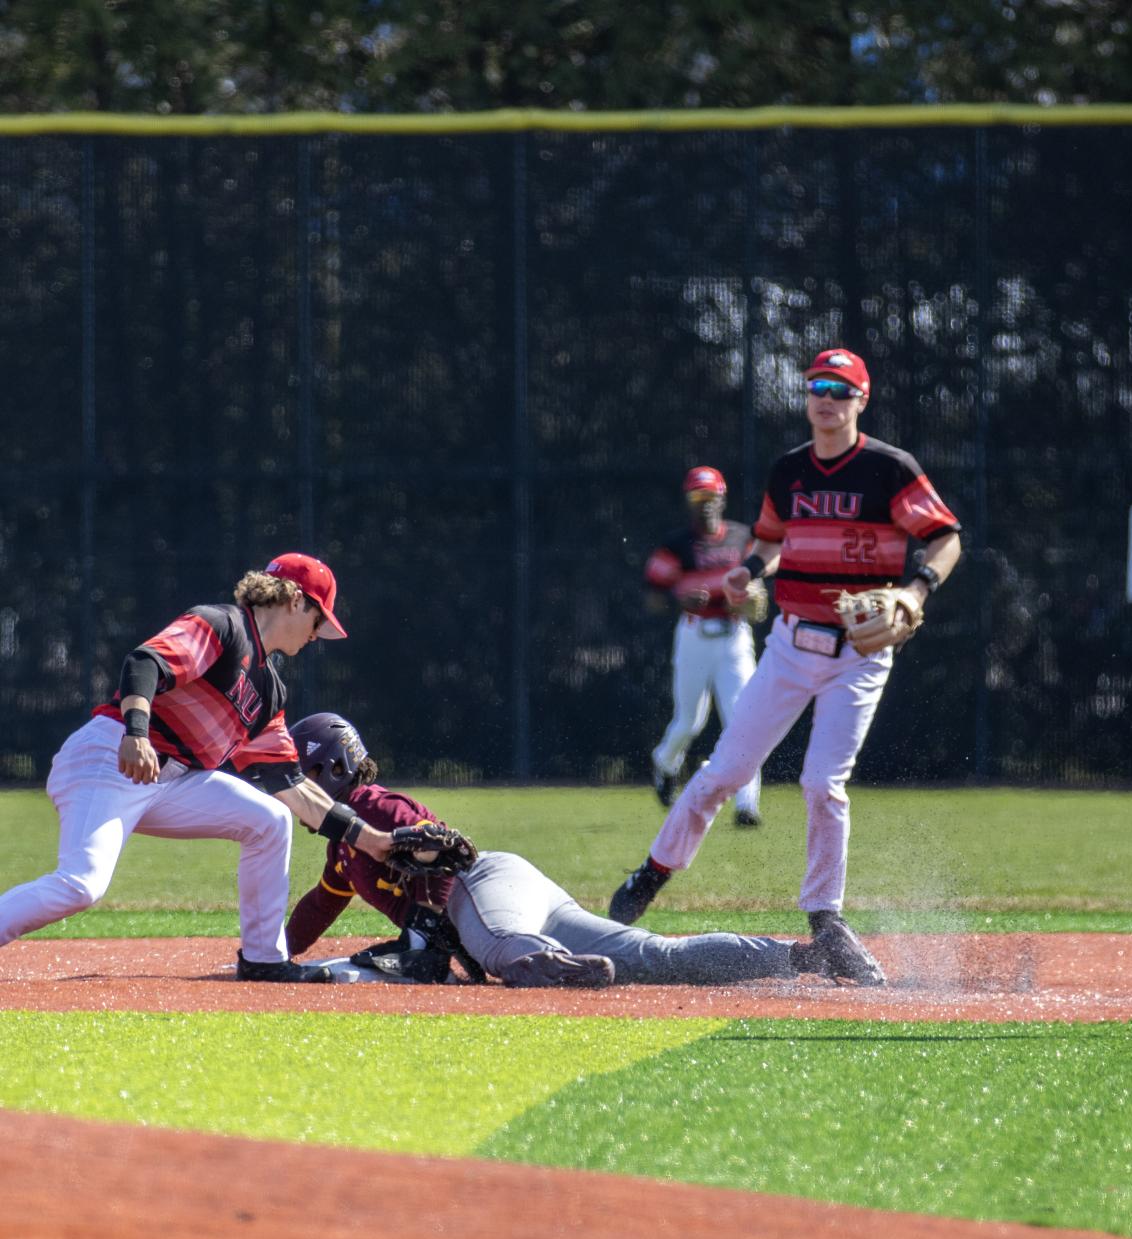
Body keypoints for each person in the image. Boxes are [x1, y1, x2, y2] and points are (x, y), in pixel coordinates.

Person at [609, 349, 962, 985]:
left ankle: (826, 920)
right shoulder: (791, 471)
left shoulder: (889, 469)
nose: (826, 398)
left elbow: (946, 536)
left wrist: (915, 591)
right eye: (816, 387)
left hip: (860, 651)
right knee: (725, 773)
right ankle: (651, 874)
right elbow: (771, 539)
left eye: (839, 388)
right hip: (792, 645)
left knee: (823, 784)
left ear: (862, 399)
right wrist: (750, 569)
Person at [0, 553, 410, 983]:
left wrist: (374, 840)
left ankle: (263, 960)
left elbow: (290, 785)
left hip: (171, 779)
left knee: (269, 819)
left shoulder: (269, 690)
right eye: (317, 619)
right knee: (82, 885)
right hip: (111, 756)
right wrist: (135, 733)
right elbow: (144, 663)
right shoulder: (223, 626)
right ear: (294, 600)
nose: (317, 635)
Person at [283, 712, 840, 987]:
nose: (297, 789)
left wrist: (428, 913)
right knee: (655, 957)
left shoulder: (374, 806)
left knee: (501, 950)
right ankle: (800, 956)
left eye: (304, 774)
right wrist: (272, 953)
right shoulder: (342, 853)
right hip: (519, 889)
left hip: (481, 887)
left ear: (335, 767)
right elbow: (318, 908)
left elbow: (442, 846)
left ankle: (556, 965)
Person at [643, 465, 765, 824]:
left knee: (744, 720)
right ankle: (664, 763)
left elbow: (760, 597)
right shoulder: (678, 544)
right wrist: (679, 601)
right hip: (695, 634)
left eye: (710, 496)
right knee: (689, 723)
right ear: (688, 501)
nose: (705, 505)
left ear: (723, 497)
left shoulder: (744, 537)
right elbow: (653, 596)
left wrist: (750, 602)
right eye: (698, 497)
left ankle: (747, 804)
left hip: (735, 636)